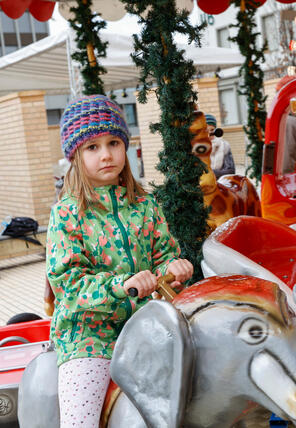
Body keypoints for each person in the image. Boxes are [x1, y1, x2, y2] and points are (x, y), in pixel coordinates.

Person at [48, 94, 194, 427]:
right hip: (89, 335)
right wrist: (120, 286)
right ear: (75, 155)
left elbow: (162, 254)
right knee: (80, 420)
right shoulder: (68, 214)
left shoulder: (145, 205)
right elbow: (67, 283)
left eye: (114, 142)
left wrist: (171, 269)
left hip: (146, 325)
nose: (106, 155)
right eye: (92, 147)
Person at [205, 113, 236, 178]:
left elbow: (231, 170)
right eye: (206, 130)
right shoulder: (198, 147)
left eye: (212, 130)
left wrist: (211, 173)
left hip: (220, 182)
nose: (209, 133)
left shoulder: (224, 145)